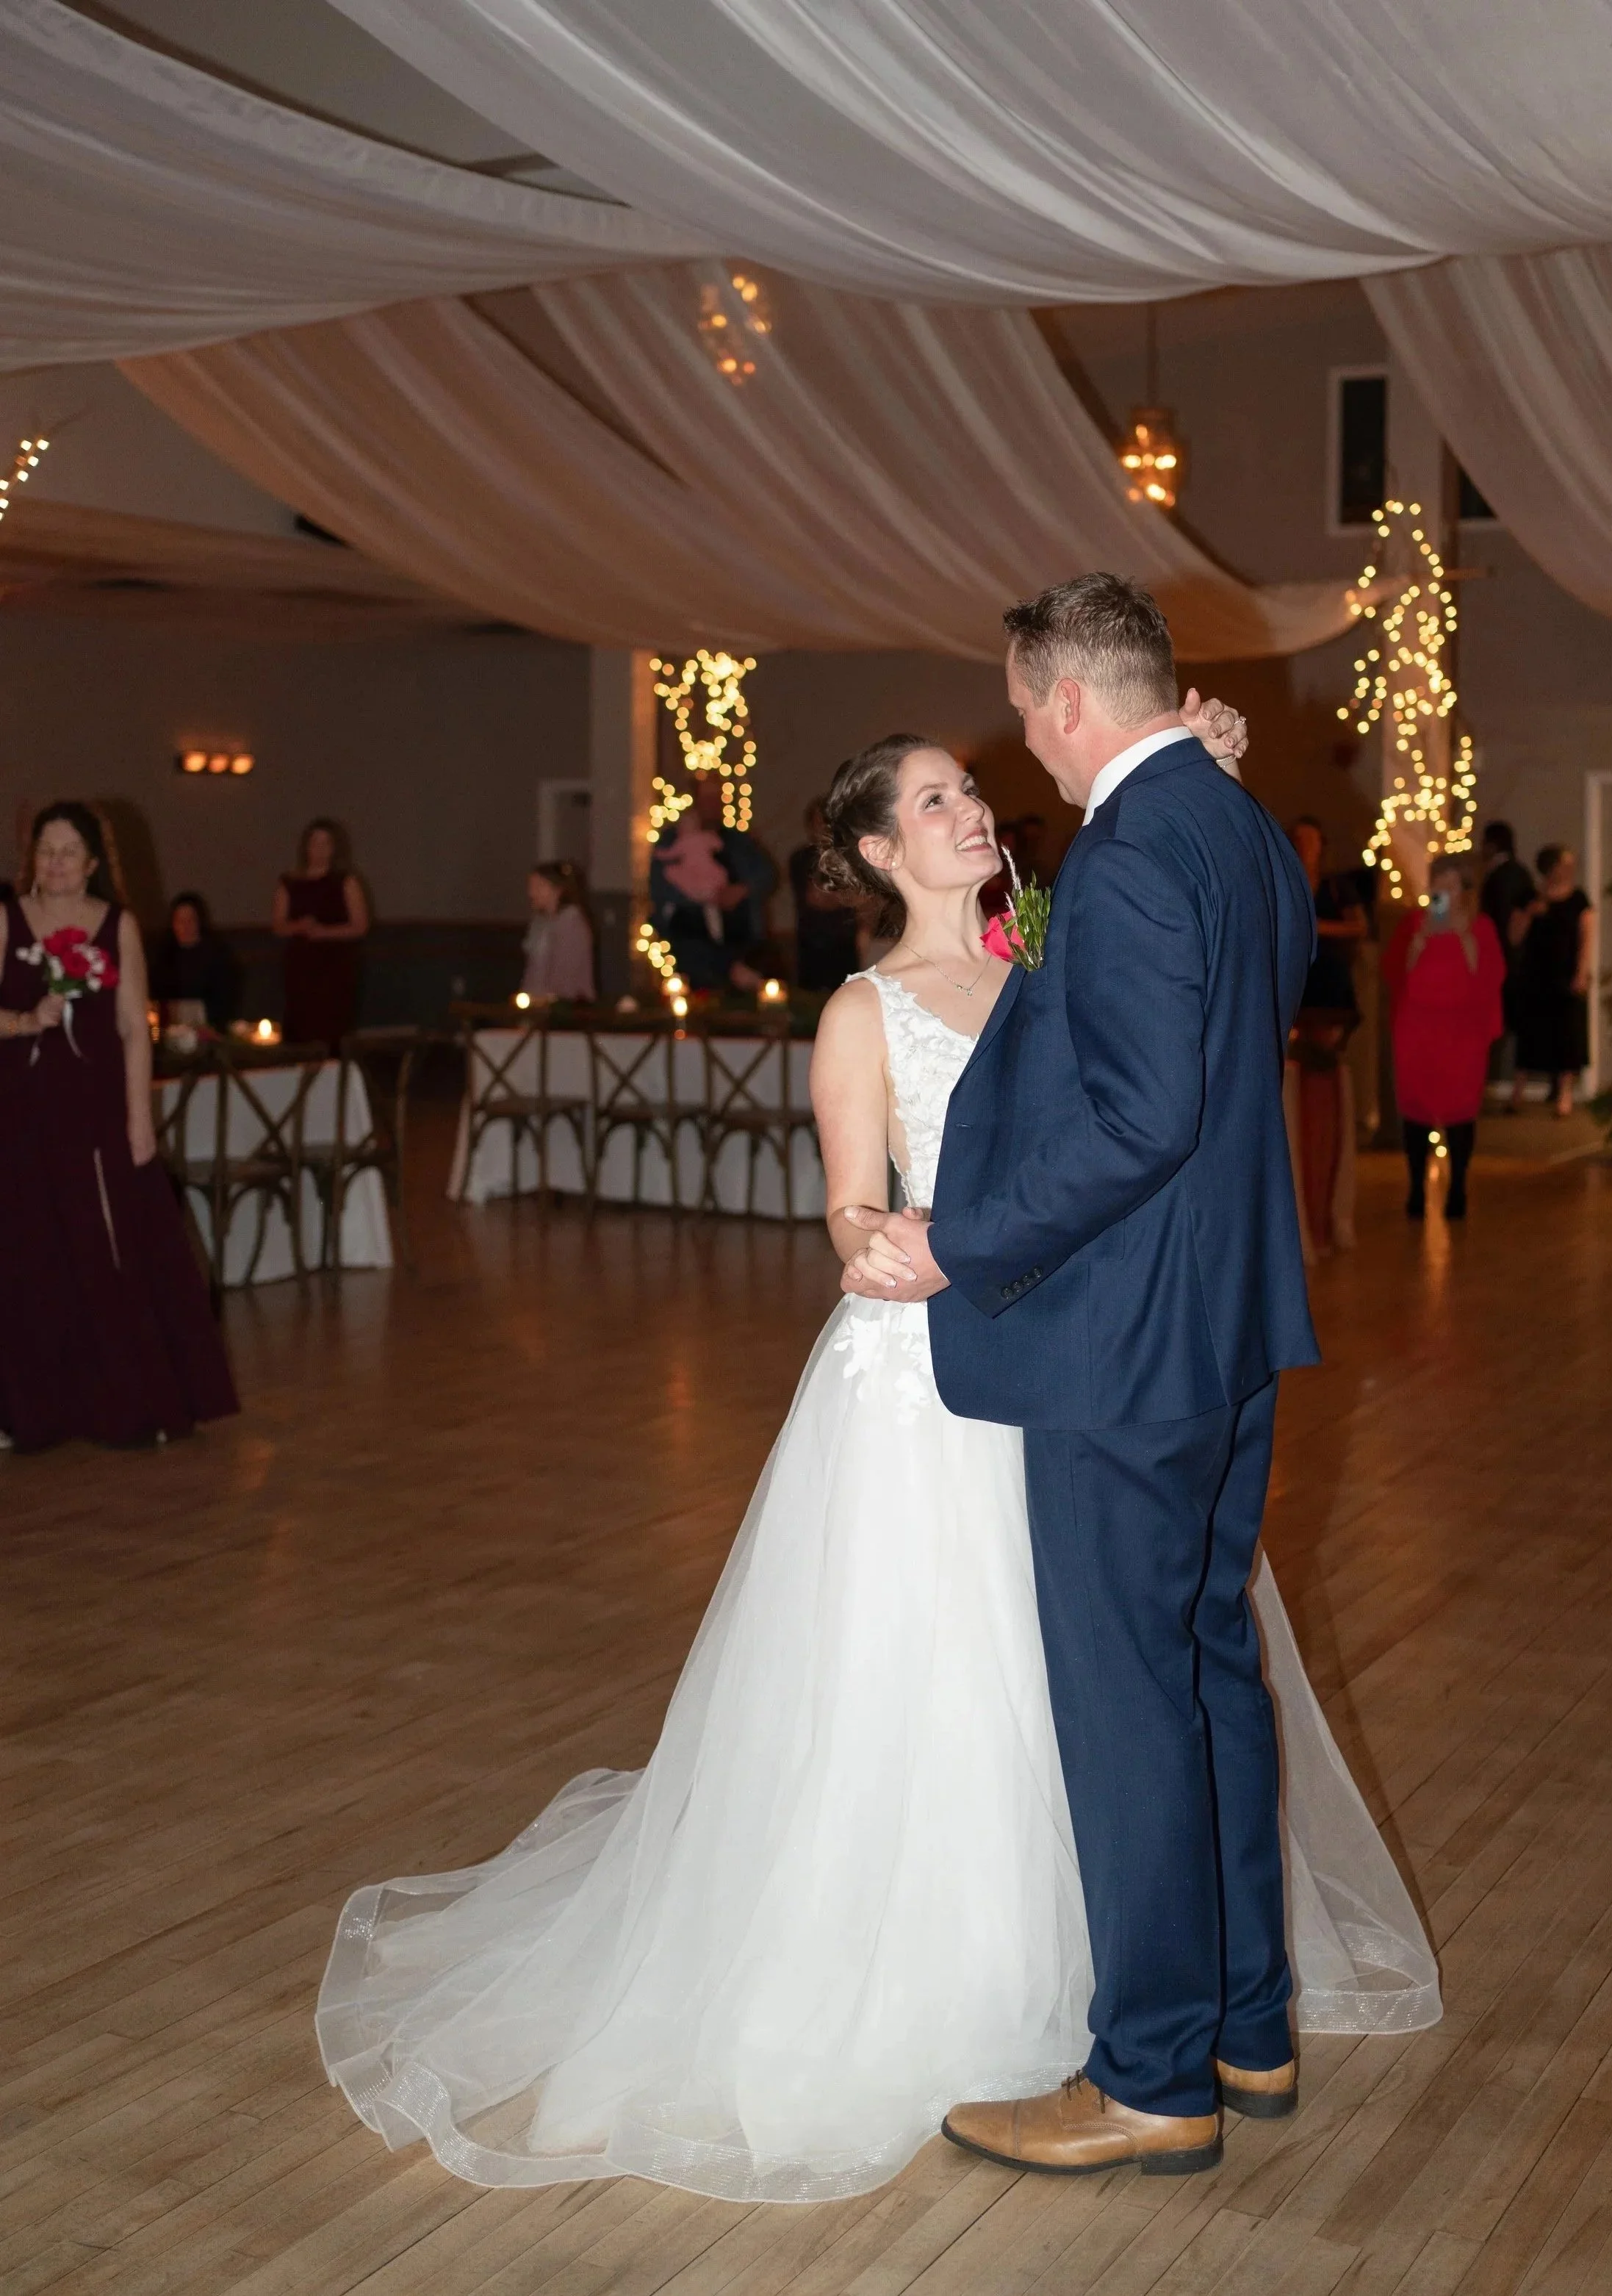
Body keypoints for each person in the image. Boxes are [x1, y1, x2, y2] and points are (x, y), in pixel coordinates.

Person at [312, 679, 1437, 2199]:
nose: (970, 809)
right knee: (941, 1679)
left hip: (1086, 1370)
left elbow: (1183, 1015)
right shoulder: (862, 1009)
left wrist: (1199, 783)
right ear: (873, 851)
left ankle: (1124, 1996)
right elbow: (850, 1207)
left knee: (1099, 1689)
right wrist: (887, 1237)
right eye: (929, 801)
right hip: (929, 1382)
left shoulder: (1039, 945)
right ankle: (974, 1990)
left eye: (969, 788)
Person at [847, 575, 1435, 2175]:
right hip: (1223, 1323)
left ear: (1058, 703)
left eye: (1022, 713)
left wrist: (962, 1238)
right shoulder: (1241, 828)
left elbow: (1135, 1116)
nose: (1021, 745)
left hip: (1124, 1343)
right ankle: (1244, 2026)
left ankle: (1148, 2074)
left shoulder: (1129, 849)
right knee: (1203, 1669)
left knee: (1125, 1702)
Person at [0, 803, 238, 1452]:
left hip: (94, 1108)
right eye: (45, 850)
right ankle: (27, 1409)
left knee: (108, 1246)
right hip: (20, 1107)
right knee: (27, 1250)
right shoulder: (8, 920)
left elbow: (135, 1029)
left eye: (68, 851)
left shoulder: (117, 926)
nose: (53, 862)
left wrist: (140, 1120)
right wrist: (27, 1021)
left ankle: (130, 1400)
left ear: (94, 863)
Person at [1383, 857, 1506, 1220]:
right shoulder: (1413, 924)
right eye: (1439, 884)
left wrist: (1463, 934)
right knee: (1416, 1108)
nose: (1445, 893)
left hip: (1462, 1032)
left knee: (1460, 1109)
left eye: (1452, 886)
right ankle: (1416, 1189)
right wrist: (1420, 941)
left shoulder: (1481, 928)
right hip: (1418, 1028)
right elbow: (1394, 973)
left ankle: (1458, 1188)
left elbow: (1490, 976)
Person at [1284, 816, 1364, 1259]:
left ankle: (1330, 1216)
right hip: (1297, 999)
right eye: (1299, 840)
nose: (1304, 846)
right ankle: (1306, 1218)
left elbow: (1359, 928)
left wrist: (1318, 928)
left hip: (1332, 1000)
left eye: (1311, 840)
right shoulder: (1285, 878)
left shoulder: (1336, 889)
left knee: (1330, 1089)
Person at [647, 778, 775, 994]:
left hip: (739, 940)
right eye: (707, 799)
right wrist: (705, 896)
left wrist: (741, 891)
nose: (712, 805)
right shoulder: (673, 840)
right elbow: (660, 887)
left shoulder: (738, 841)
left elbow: (767, 875)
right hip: (692, 942)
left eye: (717, 799)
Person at [1512, 844, 1595, 1117]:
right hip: (1535, 975)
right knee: (1529, 1033)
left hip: (1565, 974)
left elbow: (1586, 938)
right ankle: (1518, 1092)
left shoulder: (1578, 899)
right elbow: (1514, 936)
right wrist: (1529, 914)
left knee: (1567, 1035)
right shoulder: (1529, 897)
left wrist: (1581, 973)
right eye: (1563, 865)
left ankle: (1565, 1094)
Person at [274, 819, 368, 1048]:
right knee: (300, 1028)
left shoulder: (346, 882)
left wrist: (324, 932)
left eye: (326, 844)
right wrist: (300, 927)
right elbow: (278, 925)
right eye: (315, 843)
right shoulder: (290, 882)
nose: (319, 850)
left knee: (331, 1028)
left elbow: (360, 926)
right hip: (301, 968)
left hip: (334, 968)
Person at [1478, 822, 1536, 1094]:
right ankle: (1515, 1087)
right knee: (1516, 1025)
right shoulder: (1521, 874)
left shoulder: (1499, 877)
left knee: (1495, 1024)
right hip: (1519, 962)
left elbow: (1499, 920)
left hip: (1501, 960)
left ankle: (1483, 1083)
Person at [787, 796, 860, 992]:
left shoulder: (848, 857)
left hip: (844, 945)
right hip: (812, 946)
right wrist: (844, 898)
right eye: (819, 823)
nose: (824, 829)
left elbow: (861, 898)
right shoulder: (801, 859)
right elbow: (815, 898)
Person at [148, 890, 239, 1032]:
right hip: (169, 1029)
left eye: (191, 920)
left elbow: (225, 999)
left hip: (208, 1029)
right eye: (180, 921)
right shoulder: (163, 954)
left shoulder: (217, 955)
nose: (185, 926)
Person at [521, 862, 597, 1002]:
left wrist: (551, 1000)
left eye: (539, 886)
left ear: (557, 889)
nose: (531, 893)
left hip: (564, 1008)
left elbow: (567, 974)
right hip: (537, 1005)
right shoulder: (540, 923)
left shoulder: (571, 922)